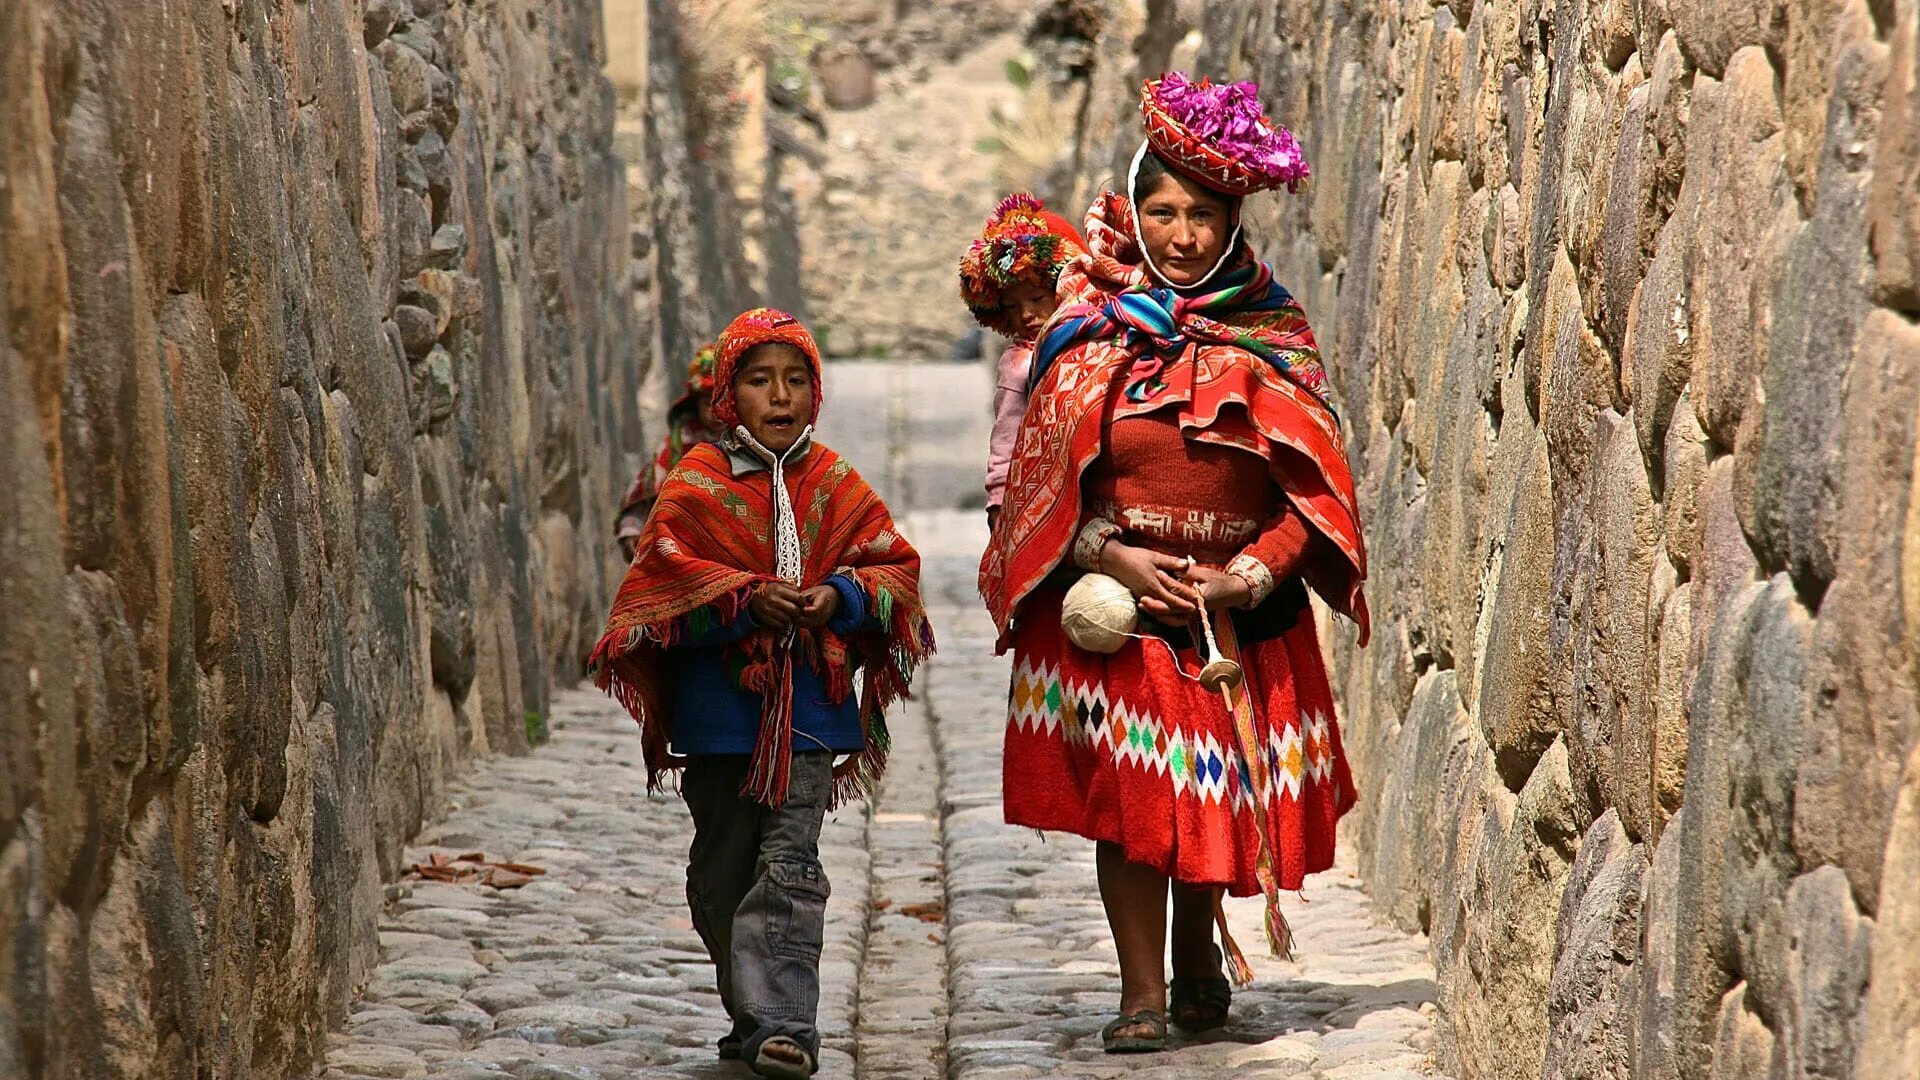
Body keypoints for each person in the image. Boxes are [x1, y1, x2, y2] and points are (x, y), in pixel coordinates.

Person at [979, 72, 1370, 1053]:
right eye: (1162, 210)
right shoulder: (1086, 334)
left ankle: (1199, 957)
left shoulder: (1271, 332)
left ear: (1232, 218)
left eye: (1202, 214)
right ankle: (1141, 992)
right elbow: (1035, 490)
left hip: (1237, 613)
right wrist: (1106, 552)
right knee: (1131, 808)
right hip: (1120, 611)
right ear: (1137, 211)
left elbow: (1313, 498)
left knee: (1209, 799)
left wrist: (1251, 575)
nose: (1182, 232)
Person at [591, 308, 935, 1079]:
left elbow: (893, 569)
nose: (778, 397)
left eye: (794, 381)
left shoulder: (837, 483)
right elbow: (661, 581)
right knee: (722, 874)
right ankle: (749, 1012)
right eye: (758, 380)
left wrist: (837, 599)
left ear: (815, 393)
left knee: (789, 864)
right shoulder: (696, 484)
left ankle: (785, 1023)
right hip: (718, 720)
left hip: (809, 712)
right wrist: (743, 600)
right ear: (727, 396)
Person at [958, 193, 1086, 531]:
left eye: (1037, 299)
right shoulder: (1020, 364)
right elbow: (1006, 437)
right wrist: (999, 502)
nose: (1026, 315)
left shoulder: (1097, 335)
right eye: (1012, 308)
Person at [615, 344, 724, 560]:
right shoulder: (678, 447)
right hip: (684, 556)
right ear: (694, 404)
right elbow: (646, 496)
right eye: (707, 402)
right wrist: (633, 532)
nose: (715, 410)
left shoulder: (754, 445)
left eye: (722, 399)